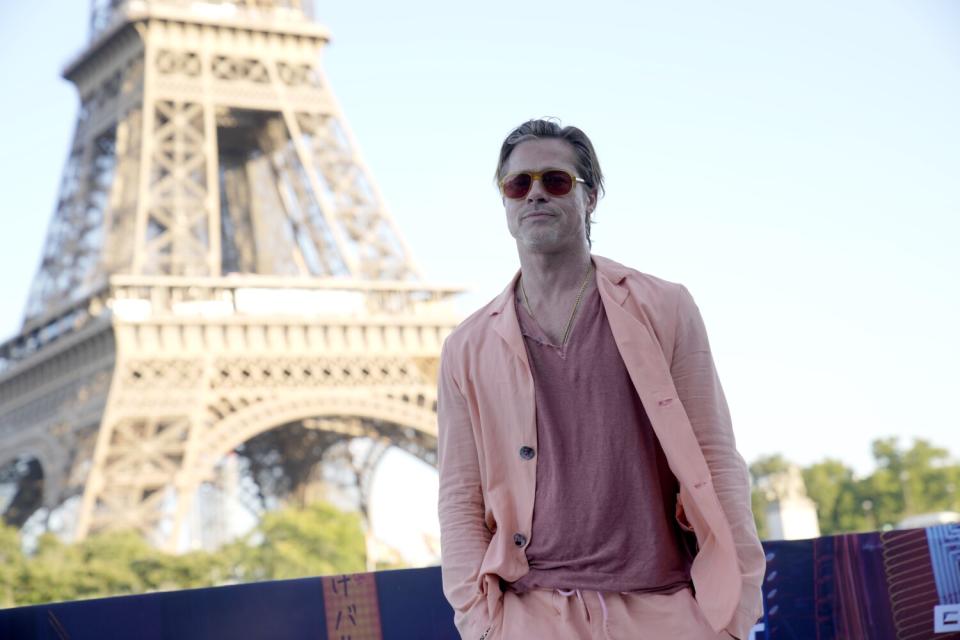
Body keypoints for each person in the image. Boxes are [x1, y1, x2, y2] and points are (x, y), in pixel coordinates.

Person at [437, 119, 765, 640]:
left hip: (667, 610)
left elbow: (715, 457)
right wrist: (482, 625)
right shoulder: (466, 347)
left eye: (556, 180)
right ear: (504, 203)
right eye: (519, 184)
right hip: (531, 615)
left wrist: (730, 614)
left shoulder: (665, 307)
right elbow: (459, 495)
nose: (536, 194)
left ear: (590, 198)